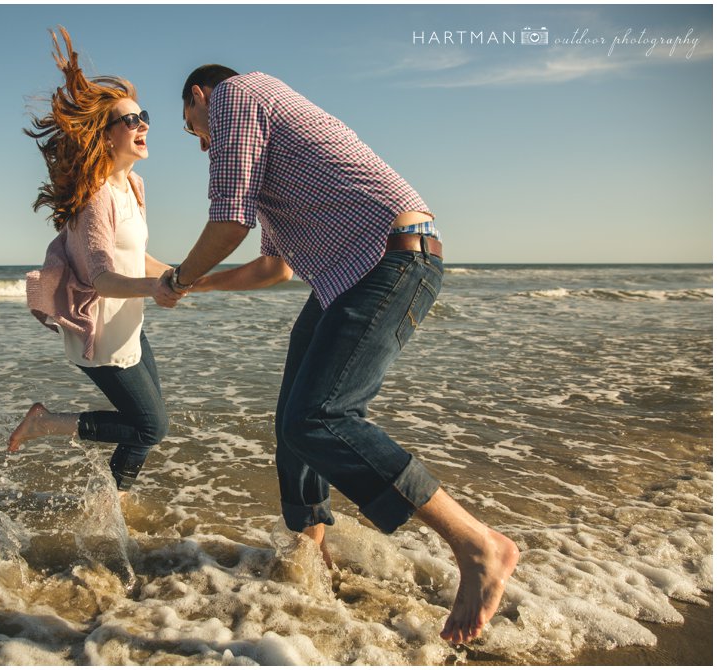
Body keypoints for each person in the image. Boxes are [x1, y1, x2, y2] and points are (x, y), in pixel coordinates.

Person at [162, 65, 519, 645]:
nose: (201, 140)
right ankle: (311, 556)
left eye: (191, 124)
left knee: (319, 417)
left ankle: (479, 544)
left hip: (389, 261)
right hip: (347, 275)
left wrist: (176, 278)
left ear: (200, 96)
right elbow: (274, 266)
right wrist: (196, 286)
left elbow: (228, 221)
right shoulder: (272, 133)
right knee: (294, 423)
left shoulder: (235, 96)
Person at [8, 28, 174, 497]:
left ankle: (113, 504)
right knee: (151, 426)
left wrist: (178, 276)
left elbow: (134, 256)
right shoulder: (96, 196)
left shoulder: (134, 186)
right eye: (130, 120)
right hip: (99, 327)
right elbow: (102, 278)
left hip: (129, 321)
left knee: (145, 423)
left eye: (144, 116)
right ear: (105, 136)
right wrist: (154, 289)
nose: (143, 125)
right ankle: (45, 424)